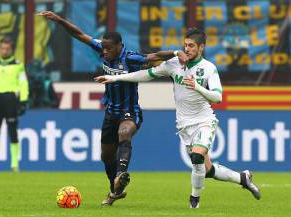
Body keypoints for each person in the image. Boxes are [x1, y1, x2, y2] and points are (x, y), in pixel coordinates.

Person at [95, 27, 261, 208]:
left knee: (197, 157)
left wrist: (198, 87)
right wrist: (116, 79)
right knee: (207, 170)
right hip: (184, 124)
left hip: (205, 120)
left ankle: (194, 202)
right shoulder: (174, 64)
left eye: (191, 46)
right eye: (185, 45)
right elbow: (146, 75)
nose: (187, 49)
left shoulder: (208, 68)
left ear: (201, 47)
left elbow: (218, 97)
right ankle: (243, 178)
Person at [38, 11, 189, 206]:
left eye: (109, 48)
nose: (105, 51)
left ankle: (121, 173)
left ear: (119, 46)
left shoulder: (131, 58)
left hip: (130, 111)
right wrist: (59, 20)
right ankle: (115, 189)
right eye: (104, 47)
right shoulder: (103, 47)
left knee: (124, 132)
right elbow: (79, 34)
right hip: (111, 112)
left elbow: (155, 56)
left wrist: (177, 52)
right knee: (106, 155)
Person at [0, 36, 29, 172]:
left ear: (11, 50)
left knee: (12, 131)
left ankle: (14, 164)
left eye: (7, 49)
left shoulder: (18, 66)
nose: (4, 51)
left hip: (11, 99)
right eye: (2, 48)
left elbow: (23, 83)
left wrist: (23, 100)